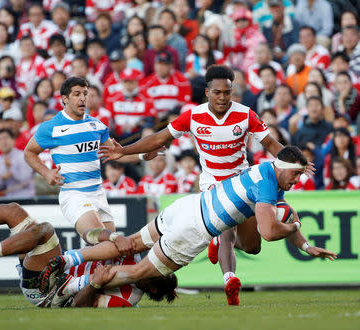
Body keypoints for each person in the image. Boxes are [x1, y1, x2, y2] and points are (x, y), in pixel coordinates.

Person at [99, 65, 292, 305]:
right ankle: (229, 279)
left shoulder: (246, 115)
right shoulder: (192, 116)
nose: (222, 97)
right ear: (208, 93)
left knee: (253, 247)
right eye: (218, 92)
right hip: (212, 186)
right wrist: (124, 151)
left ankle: (216, 242)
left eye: (227, 93)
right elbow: (159, 138)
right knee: (227, 231)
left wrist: (295, 164)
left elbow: (272, 146)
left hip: (242, 183)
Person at [42, 147, 336, 305]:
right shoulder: (269, 184)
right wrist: (292, 228)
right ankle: (74, 285)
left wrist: (306, 245)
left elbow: (287, 210)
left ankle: (68, 259)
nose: (297, 180)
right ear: (284, 168)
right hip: (193, 231)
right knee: (138, 272)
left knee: (129, 243)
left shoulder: (267, 172)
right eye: (296, 174)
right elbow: (270, 232)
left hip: (185, 206)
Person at [0, 184, 177, 308]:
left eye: (153, 271)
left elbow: (79, 309)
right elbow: (91, 235)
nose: (149, 264)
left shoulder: (128, 298)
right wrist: (110, 237)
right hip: (55, 269)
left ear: (151, 285)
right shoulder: (132, 253)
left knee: (45, 231)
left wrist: (95, 285)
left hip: (49, 292)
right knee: (13, 211)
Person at [24, 77, 160, 258]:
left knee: (113, 255)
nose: (82, 98)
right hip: (75, 195)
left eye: (85, 94)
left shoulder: (96, 125)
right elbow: (29, 152)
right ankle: (65, 262)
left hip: (98, 194)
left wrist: (144, 156)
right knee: (109, 242)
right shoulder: (52, 127)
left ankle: (79, 279)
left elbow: (115, 155)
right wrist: (46, 172)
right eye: (77, 94)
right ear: (64, 98)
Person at [0, 128, 35, 197]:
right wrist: (2, 179)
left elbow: (27, 179)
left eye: (5, 138)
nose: (3, 142)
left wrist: (12, 170)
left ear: (13, 140)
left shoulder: (23, 157)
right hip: (7, 200)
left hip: (26, 196)